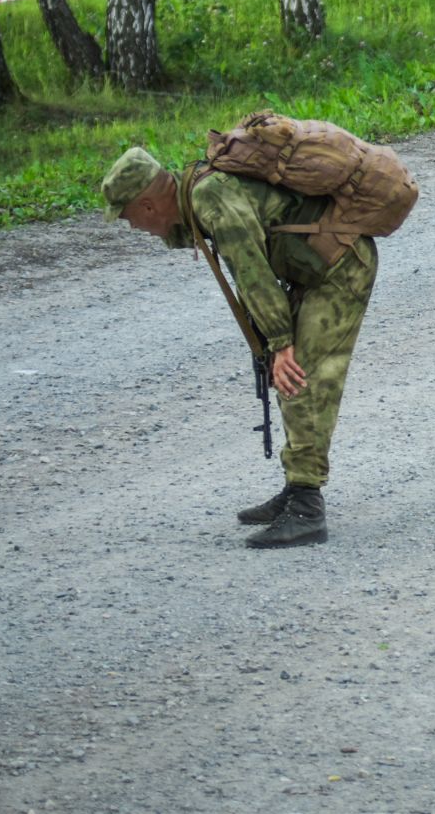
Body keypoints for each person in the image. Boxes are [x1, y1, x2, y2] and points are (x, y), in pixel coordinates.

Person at [100, 146, 380, 547]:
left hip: (340, 268)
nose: (133, 228)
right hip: (316, 267)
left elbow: (252, 273)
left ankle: (306, 507)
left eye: (128, 218)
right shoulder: (198, 196)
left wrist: (281, 342)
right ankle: (296, 487)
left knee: (300, 376)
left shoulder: (209, 196)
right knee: (290, 375)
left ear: (147, 204)